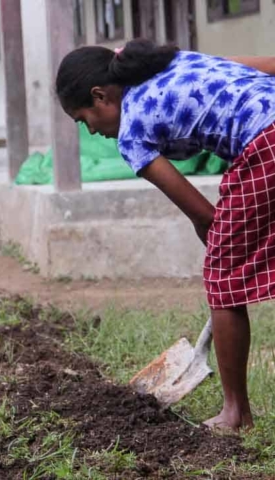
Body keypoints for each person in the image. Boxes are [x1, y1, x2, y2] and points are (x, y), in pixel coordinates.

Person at [55, 39, 275, 432]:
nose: (91, 130)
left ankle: (235, 414)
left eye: (83, 119)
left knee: (223, 280)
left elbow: (202, 213)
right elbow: (266, 65)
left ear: (100, 95)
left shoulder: (132, 132)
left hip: (265, 145)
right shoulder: (172, 61)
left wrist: (219, 246)